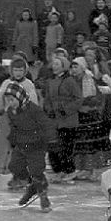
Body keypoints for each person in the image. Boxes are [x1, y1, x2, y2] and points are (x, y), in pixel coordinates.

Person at [0, 54, 40, 188]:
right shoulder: (6, 83)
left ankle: (23, 176)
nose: (18, 73)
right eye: (15, 70)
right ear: (11, 70)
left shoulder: (28, 84)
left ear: (25, 71)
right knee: (7, 148)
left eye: (21, 70)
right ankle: (14, 174)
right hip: (8, 119)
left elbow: (33, 102)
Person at [4, 81, 57, 213]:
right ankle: (32, 186)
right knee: (14, 166)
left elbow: (46, 123)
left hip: (36, 145)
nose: (10, 102)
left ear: (20, 97)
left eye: (12, 99)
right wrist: (12, 139)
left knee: (36, 171)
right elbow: (14, 127)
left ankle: (43, 197)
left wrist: (52, 139)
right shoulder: (11, 111)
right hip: (21, 144)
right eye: (8, 100)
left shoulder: (33, 109)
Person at [44, 54, 82, 184]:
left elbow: (78, 99)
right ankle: (58, 170)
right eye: (53, 64)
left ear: (63, 67)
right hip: (54, 120)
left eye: (57, 64)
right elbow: (48, 98)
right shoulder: (51, 81)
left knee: (66, 147)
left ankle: (69, 170)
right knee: (54, 147)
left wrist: (65, 109)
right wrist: (48, 109)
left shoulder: (70, 81)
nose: (54, 67)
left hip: (68, 120)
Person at [70, 56, 104, 181]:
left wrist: (82, 102)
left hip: (90, 116)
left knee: (91, 144)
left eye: (76, 66)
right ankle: (83, 168)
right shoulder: (71, 80)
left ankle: (94, 169)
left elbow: (95, 97)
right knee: (80, 144)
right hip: (78, 115)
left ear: (82, 67)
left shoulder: (89, 79)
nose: (74, 69)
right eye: (72, 67)